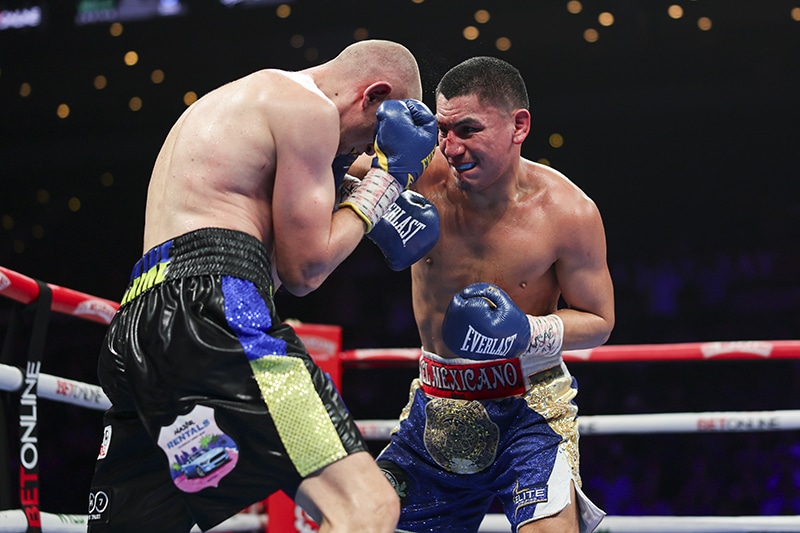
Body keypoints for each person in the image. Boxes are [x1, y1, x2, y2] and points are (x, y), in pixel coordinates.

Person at [87, 39, 437, 533]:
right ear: (373, 96)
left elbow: (269, 257)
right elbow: (305, 270)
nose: (361, 151)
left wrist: (364, 188)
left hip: (139, 327)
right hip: (214, 312)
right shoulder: (310, 109)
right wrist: (383, 182)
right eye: (369, 139)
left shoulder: (241, 102)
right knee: (367, 507)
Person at [373, 56, 616, 532]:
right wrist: (382, 175)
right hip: (435, 400)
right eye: (443, 130)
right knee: (361, 518)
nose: (451, 147)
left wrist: (525, 331)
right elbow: (328, 170)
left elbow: (600, 321)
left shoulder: (568, 213)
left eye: (467, 129)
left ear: (518, 125)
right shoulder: (418, 176)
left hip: (530, 409)